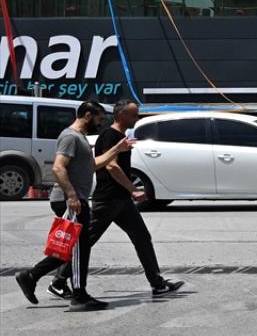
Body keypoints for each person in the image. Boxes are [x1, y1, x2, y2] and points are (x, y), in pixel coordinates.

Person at [46, 98, 184, 301]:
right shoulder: (109, 135)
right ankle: (56, 280)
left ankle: (158, 284)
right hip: (108, 199)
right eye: (134, 114)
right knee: (84, 242)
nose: (137, 118)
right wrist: (133, 189)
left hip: (121, 200)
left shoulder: (120, 137)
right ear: (121, 115)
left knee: (142, 237)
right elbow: (111, 166)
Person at [13, 101, 131, 311]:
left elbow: (93, 165)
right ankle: (78, 296)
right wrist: (72, 196)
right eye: (99, 119)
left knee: (75, 248)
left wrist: (116, 149)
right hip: (71, 200)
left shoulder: (80, 138)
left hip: (78, 199)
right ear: (88, 115)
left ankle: (31, 276)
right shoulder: (70, 137)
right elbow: (58, 168)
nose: (101, 123)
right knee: (78, 249)